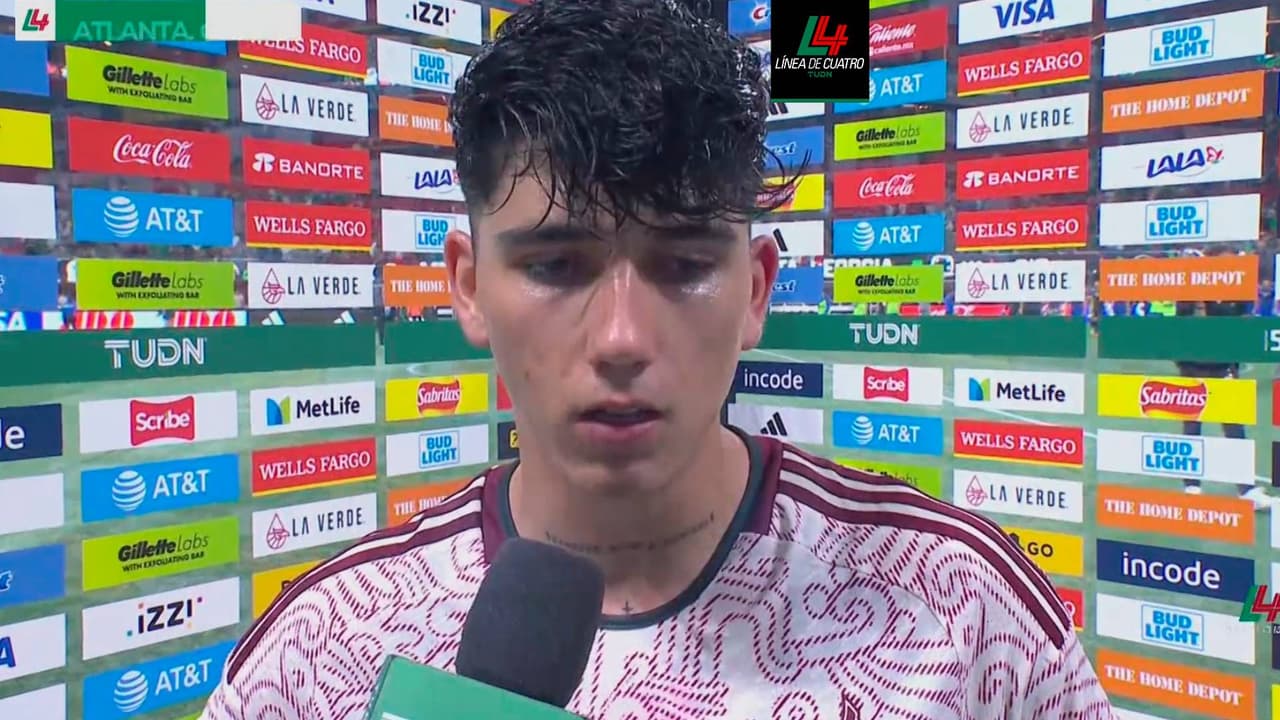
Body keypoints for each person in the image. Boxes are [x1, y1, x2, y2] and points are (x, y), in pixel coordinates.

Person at [200, 1, 1114, 717]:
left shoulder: (963, 612)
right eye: (556, 267)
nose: (622, 339)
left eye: (682, 266)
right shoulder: (323, 652)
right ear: (468, 288)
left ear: (756, 289)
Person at [1174, 299, 1277, 509]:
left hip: (1222, 366)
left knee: (1234, 427)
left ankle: (1246, 490)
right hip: (1193, 368)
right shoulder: (1188, 299)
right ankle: (1192, 486)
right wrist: (1185, 367)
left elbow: (1236, 325)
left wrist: (1233, 363)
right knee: (1192, 426)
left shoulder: (1232, 296)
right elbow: (1179, 330)